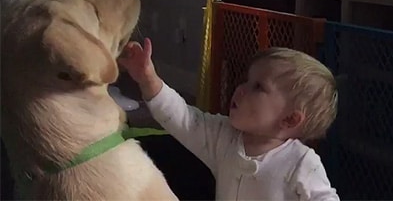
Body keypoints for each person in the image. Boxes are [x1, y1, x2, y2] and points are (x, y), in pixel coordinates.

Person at [118, 38, 340, 201]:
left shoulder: (301, 164)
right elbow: (183, 118)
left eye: (258, 87)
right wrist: (148, 79)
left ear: (290, 119)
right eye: (246, 80)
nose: (240, 89)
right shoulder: (224, 137)